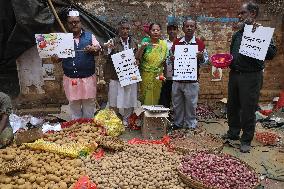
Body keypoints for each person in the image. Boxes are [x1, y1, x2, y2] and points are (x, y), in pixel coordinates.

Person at [222, 2, 277, 153]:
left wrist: (259, 37)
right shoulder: (238, 34)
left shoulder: (262, 33)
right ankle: (233, 132)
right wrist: (227, 61)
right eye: (239, 13)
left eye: (242, 13)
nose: (239, 16)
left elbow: (272, 54)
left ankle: (246, 140)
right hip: (235, 74)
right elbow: (232, 53)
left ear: (252, 14)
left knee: (248, 109)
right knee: (232, 105)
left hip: (251, 76)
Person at [59, 9, 101, 119]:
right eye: (71, 22)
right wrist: (54, 56)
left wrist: (93, 48)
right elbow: (55, 60)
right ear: (67, 24)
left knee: (89, 108)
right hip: (71, 79)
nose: (74, 24)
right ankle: (77, 130)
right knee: (74, 108)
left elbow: (98, 49)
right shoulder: (63, 39)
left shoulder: (89, 37)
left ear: (80, 22)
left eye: (76, 22)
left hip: (88, 79)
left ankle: (88, 129)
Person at [171, 19, 208, 130]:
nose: (189, 28)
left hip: (192, 81)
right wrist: (172, 58)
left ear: (195, 28)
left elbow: (206, 61)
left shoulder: (200, 44)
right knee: (177, 104)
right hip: (178, 80)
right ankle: (178, 124)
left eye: (192, 26)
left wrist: (201, 58)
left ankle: (191, 125)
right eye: (187, 26)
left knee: (191, 105)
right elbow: (169, 58)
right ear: (183, 28)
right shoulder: (176, 43)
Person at [103, 19, 139, 126]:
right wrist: (108, 48)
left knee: (129, 98)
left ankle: (127, 118)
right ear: (119, 29)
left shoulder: (134, 42)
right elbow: (105, 55)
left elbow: (138, 57)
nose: (125, 31)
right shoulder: (112, 41)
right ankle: (116, 119)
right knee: (114, 99)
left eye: (127, 28)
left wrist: (137, 61)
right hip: (115, 75)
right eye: (122, 28)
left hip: (130, 75)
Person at [136, 23, 168, 105]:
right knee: (145, 97)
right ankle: (146, 116)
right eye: (153, 30)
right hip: (145, 74)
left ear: (160, 32)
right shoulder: (145, 42)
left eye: (158, 30)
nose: (155, 32)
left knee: (156, 97)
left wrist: (165, 75)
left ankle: (152, 117)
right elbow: (137, 57)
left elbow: (164, 61)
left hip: (158, 75)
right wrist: (142, 47)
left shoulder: (163, 45)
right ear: (150, 32)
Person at [159, 21, 179, 108]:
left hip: (179, 73)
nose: (172, 31)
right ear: (167, 31)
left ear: (177, 30)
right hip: (167, 72)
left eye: (174, 29)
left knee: (177, 97)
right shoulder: (163, 43)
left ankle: (176, 115)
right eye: (170, 29)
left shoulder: (181, 42)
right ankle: (166, 116)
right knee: (165, 95)